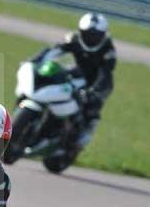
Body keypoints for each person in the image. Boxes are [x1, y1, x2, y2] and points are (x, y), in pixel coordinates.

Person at [29, 12, 116, 149]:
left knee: (92, 105)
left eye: (95, 35)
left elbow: (105, 74)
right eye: (87, 33)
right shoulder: (73, 38)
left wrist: (93, 91)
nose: (90, 38)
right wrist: (36, 60)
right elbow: (55, 50)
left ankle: (82, 136)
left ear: (103, 35)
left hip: (97, 82)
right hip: (77, 73)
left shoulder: (108, 50)